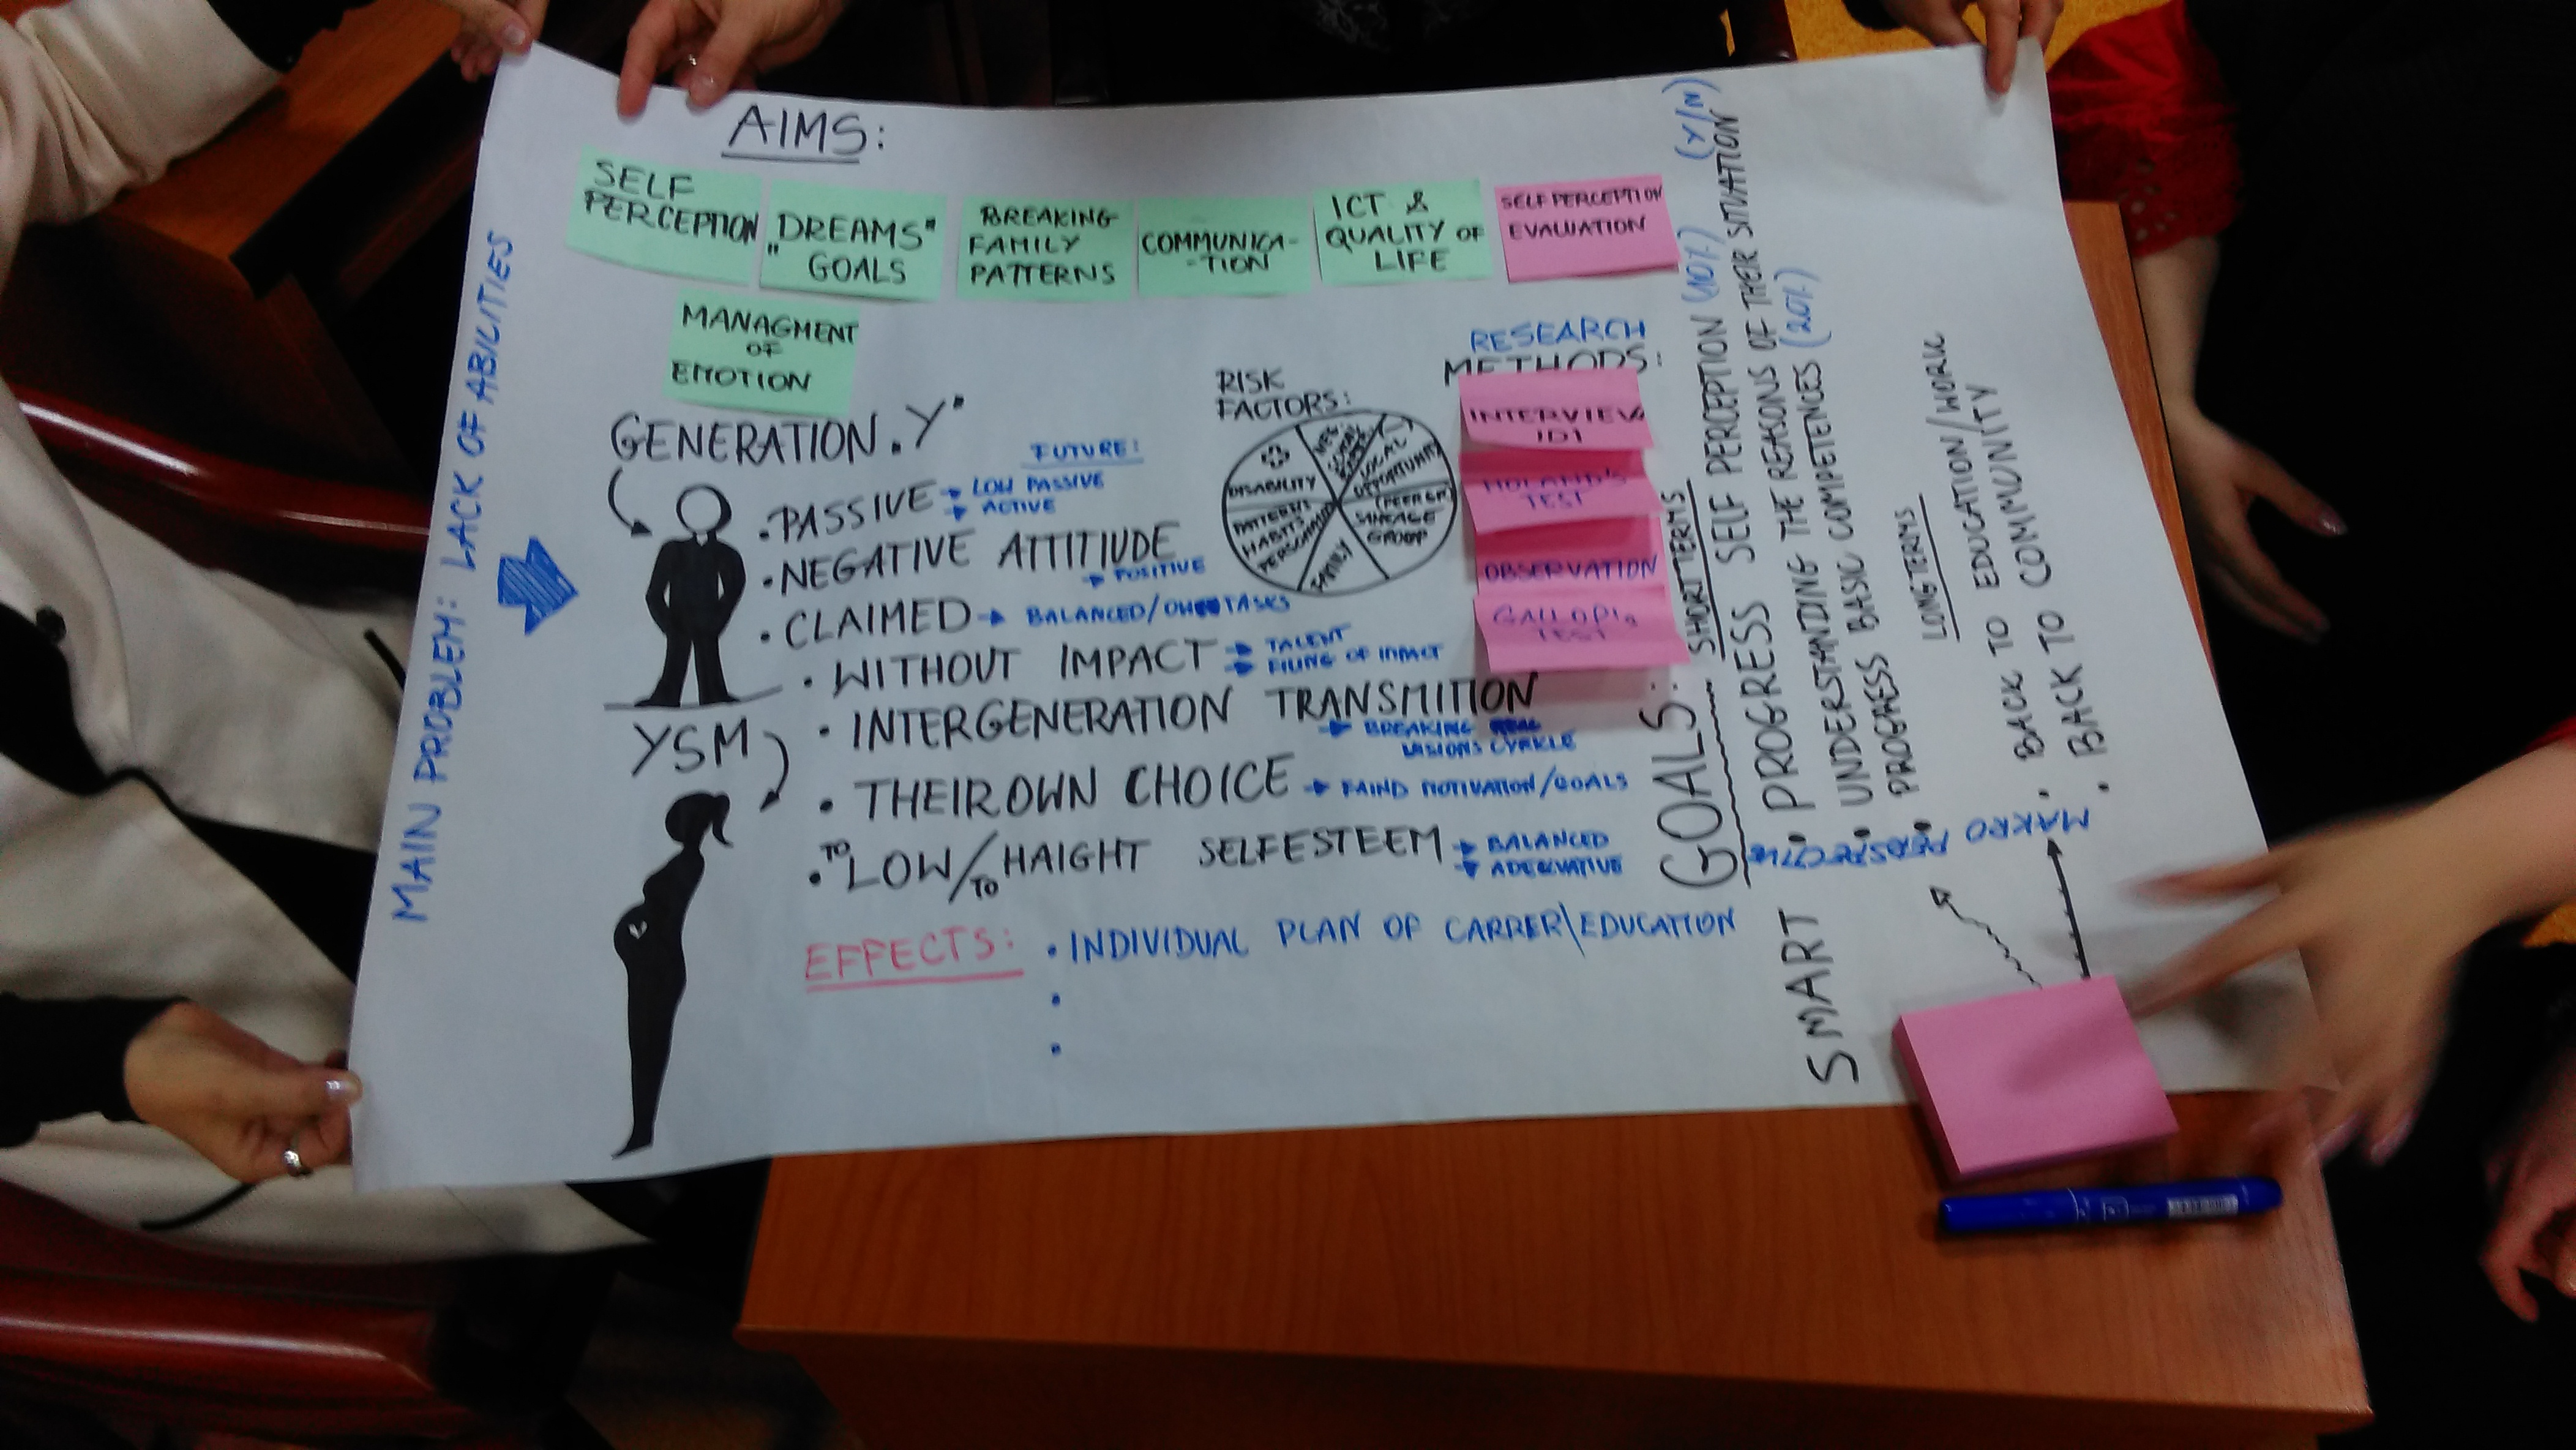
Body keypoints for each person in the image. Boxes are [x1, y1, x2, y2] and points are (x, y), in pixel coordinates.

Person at [0, 0, 646, 1257]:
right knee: (702, 1163)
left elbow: (59, 97)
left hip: (341, 718)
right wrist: (104, 1058)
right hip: (203, 1061)